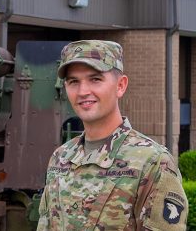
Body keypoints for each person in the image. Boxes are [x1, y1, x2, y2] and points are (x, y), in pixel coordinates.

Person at [37, 40, 188, 230]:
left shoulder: (152, 162)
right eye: (73, 81)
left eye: (95, 79)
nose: (83, 91)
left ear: (120, 85)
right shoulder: (61, 158)